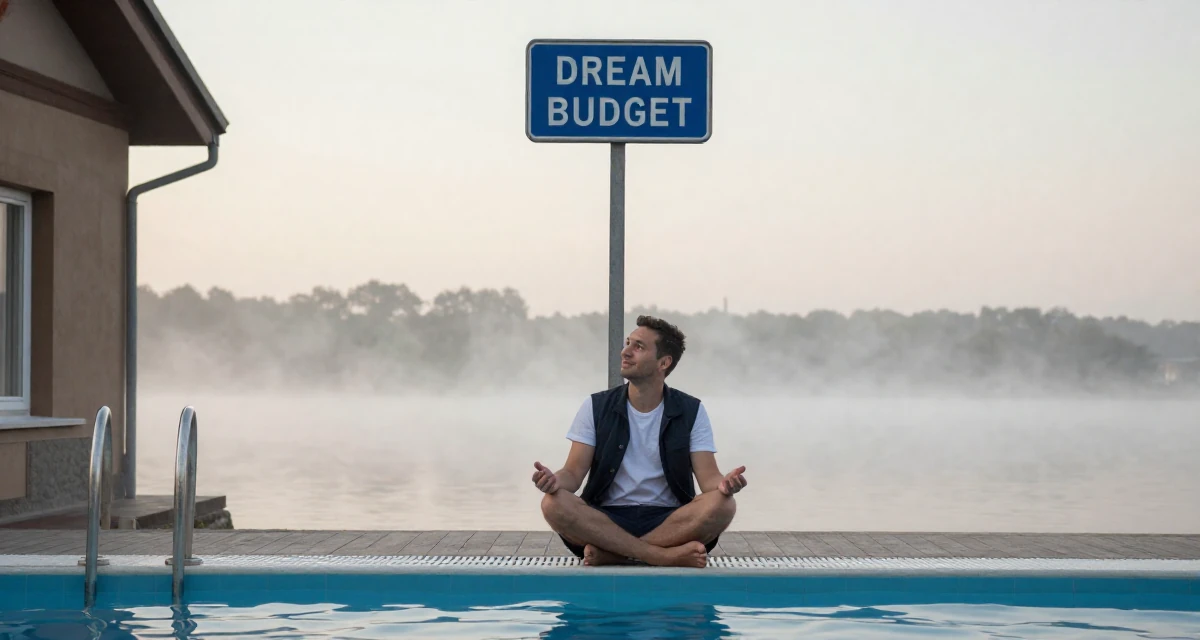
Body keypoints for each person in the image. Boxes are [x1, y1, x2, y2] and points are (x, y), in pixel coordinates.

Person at [532, 315, 747, 568]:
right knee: (553, 502)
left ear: (663, 363)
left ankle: (615, 554)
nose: (626, 352)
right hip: (606, 517)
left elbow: (708, 479)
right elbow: (573, 472)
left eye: (639, 347)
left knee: (723, 505)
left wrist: (725, 485)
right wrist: (554, 481)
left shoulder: (691, 410)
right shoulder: (595, 406)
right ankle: (662, 556)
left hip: (670, 519)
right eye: (628, 343)